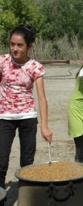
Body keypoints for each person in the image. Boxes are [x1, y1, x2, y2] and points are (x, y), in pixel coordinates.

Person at [0, 26, 52, 189]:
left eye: (20, 45)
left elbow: (42, 98)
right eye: (12, 44)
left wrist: (44, 126)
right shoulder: (2, 61)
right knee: (1, 160)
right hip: (4, 118)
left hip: (27, 117)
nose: (15, 48)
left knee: (27, 162)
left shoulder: (35, 67)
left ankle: (26, 195)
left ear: (29, 46)